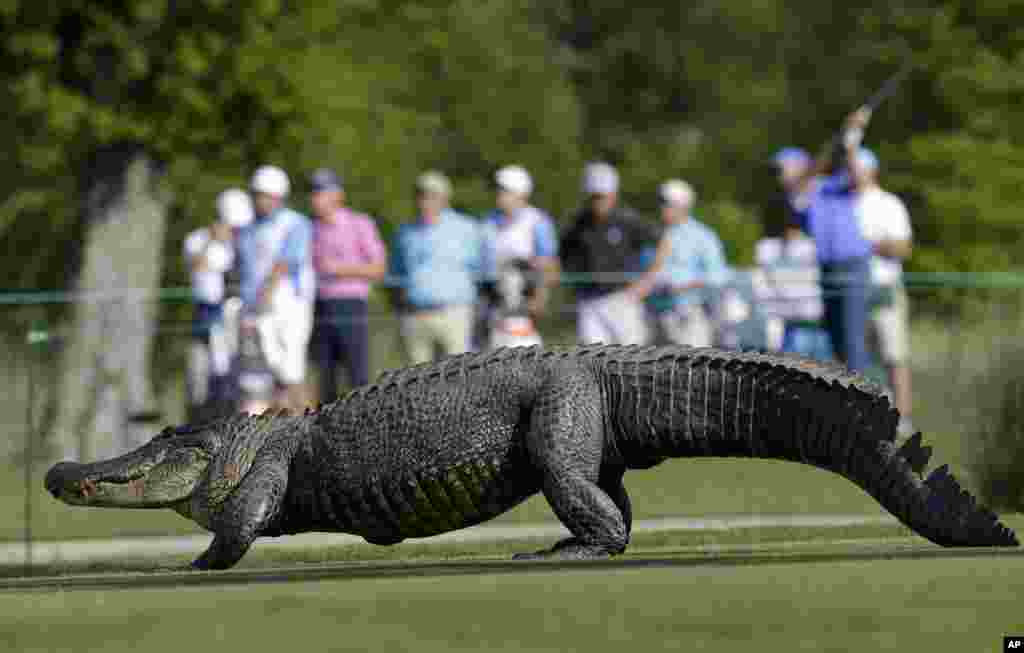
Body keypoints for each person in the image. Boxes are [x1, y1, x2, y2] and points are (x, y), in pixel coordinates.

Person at [789, 109, 875, 372]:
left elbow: (857, 177)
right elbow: (804, 180)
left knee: (853, 346)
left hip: (853, 267)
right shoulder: (802, 193)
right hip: (827, 270)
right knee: (837, 346)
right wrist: (839, 137)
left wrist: (851, 137)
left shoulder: (836, 184)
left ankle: (866, 408)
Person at [234, 165, 315, 413]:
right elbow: (244, 271)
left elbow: (286, 262)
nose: (259, 200)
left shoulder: (296, 224)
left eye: (265, 195)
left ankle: (303, 421)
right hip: (257, 307)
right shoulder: (246, 230)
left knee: (291, 369)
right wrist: (247, 308)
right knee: (264, 372)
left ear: (279, 197)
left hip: (288, 302)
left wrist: (267, 292)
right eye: (256, 194)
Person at [389, 170, 487, 364]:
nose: (426, 201)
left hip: (454, 314)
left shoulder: (467, 229)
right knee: (415, 385)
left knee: (457, 379)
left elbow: (482, 269)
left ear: (445, 198)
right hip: (414, 316)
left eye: (432, 196)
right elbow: (396, 273)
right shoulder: (405, 232)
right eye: (421, 195)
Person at [309, 168, 387, 402]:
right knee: (325, 379)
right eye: (313, 192)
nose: (314, 198)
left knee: (358, 376)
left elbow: (378, 268)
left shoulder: (359, 224)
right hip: (319, 306)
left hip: (350, 305)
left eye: (320, 191)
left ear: (337, 195)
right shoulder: (310, 228)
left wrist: (339, 269)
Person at [561, 162, 660, 345]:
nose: (598, 202)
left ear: (613, 195)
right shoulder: (577, 224)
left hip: (622, 299)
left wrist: (647, 281)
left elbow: (662, 242)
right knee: (592, 362)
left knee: (631, 359)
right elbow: (563, 256)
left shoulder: (627, 220)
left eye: (602, 197)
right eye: (594, 197)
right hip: (589, 301)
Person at [852, 147, 915, 434]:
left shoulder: (889, 204)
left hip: (885, 286)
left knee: (894, 354)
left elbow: (903, 247)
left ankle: (903, 418)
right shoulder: (841, 204)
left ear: (871, 169)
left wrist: (868, 246)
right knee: (857, 356)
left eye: (858, 167)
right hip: (852, 289)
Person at [627, 179, 727, 347]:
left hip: (691, 315)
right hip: (656, 316)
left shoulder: (703, 236)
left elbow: (718, 277)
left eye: (666, 203)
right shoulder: (652, 235)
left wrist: (683, 286)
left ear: (683, 206)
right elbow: (645, 272)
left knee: (693, 370)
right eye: (660, 202)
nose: (661, 207)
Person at [183, 188, 253, 419]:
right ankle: (204, 417)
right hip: (206, 311)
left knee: (231, 368)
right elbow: (196, 265)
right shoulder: (197, 239)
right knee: (204, 373)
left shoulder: (243, 242)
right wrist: (214, 240)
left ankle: (228, 413)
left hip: (234, 310)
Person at [478, 165, 559, 348]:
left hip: (523, 306)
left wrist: (540, 298)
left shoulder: (537, 221)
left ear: (521, 193)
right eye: (498, 189)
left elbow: (549, 264)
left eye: (504, 190)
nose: (499, 194)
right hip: (491, 303)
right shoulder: (487, 221)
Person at [754, 217, 833, 361]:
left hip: (809, 316)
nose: (790, 234)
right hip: (780, 313)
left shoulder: (813, 248)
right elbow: (763, 284)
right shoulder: (768, 248)